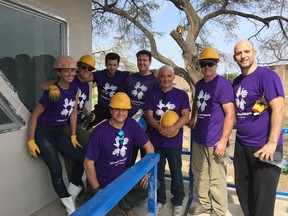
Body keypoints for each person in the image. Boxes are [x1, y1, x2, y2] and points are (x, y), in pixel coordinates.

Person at [232, 40, 285, 216]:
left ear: (254, 53)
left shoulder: (267, 76)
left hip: (268, 147)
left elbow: (279, 107)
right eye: (239, 53)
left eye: (247, 51)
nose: (243, 56)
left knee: (264, 200)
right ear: (234, 58)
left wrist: (271, 143)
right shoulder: (237, 82)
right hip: (242, 145)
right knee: (244, 193)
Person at [27, 55, 85, 215]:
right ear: (59, 72)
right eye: (67, 71)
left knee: (82, 158)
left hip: (59, 131)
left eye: (73, 70)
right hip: (44, 132)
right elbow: (35, 116)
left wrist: (73, 135)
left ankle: (70, 195)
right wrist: (31, 139)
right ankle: (71, 210)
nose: (71, 74)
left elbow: (73, 113)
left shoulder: (75, 88)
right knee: (56, 171)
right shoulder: (52, 91)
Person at [83, 92, 154, 216]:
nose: (121, 113)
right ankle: (101, 201)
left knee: (152, 183)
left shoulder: (131, 124)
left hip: (122, 177)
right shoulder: (99, 132)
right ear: (110, 110)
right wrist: (97, 190)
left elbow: (149, 146)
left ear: (128, 111)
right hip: (103, 183)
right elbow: (88, 163)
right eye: (117, 109)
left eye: (124, 110)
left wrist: (147, 171)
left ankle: (124, 206)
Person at [40, 55, 96, 203]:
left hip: (78, 123)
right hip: (63, 125)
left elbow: (78, 105)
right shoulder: (71, 78)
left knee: (93, 147)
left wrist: (87, 113)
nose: (85, 71)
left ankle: (92, 187)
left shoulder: (85, 85)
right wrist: (52, 86)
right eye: (82, 67)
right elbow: (44, 85)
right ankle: (78, 194)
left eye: (89, 69)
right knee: (71, 159)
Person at [187, 48, 235, 216]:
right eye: (203, 64)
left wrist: (223, 140)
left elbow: (230, 114)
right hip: (199, 138)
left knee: (217, 179)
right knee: (199, 174)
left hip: (215, 141)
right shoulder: (199, 84)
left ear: (216, 64)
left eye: (210, 63)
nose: (207, 67)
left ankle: (219, 210)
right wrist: (193, 117)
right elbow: (196, 102)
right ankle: (204, 204)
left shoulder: (223, 84)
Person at [145, 65, 190, 216]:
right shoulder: (152, 94)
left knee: (176, 171)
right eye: (163, 76)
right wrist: (159, 127)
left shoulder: (181, 95)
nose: (166, 79)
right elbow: (149, 115)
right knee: (157, 172)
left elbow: (185, 115)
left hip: (174, 141)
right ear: (159, 78)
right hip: (156, 140)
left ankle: (177, 201)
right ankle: (160, 199)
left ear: (173, 77)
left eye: (169, 76)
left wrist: (173, 128)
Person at [123, 50, 159, 166]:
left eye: (144, 60)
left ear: (150, 62)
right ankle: (129, 184)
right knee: (128, 161)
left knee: (146, 161)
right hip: (130, 126)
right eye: (139, 60)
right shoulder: (131, 79)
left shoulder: (155, 81)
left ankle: (146, 184)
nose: (141, 63)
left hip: (148, 127)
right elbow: (123, 99)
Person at [86, 52, 130, 129]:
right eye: (110, 65)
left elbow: (138, 74)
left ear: (118, 65)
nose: (112, 67)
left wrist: (151, 71)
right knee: (86, 124)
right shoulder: (99, 74)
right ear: (106, 64)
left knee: (125, 128)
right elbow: (84, 78)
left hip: (115, 109)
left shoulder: (122, 75)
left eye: (114, 65)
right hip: (101, 109)